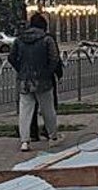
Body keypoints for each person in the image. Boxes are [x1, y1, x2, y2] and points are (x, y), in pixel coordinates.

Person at [9, 14, 61, 152]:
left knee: (25, 111)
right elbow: (54, 58)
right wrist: (48, 72)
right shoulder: (47, 39)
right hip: (43, 80)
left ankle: (25, 141)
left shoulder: (20, 40)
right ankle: (52, 137)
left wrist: (21, 70)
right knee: (48, 110)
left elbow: (11, 57)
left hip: (25, 80)